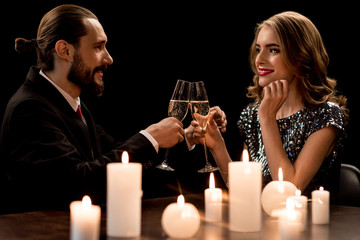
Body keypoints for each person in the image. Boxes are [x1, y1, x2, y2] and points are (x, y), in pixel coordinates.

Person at [0, 4, 226, 213]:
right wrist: (149, 138)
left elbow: (113, 157)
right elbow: (78, 184)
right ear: (65, 50)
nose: (109, 58)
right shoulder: (29, 109)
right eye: (98, 47)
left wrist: (187, 137)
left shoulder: (69, 102)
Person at [190, 11, 348, 199]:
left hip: (311, 225)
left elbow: (290, 191)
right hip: (266, 225)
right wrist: (217, 145)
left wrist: (266, 118)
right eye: (258, 49)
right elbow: (247, 194)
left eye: (273, 50)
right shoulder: (251, 114)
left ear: (301, 57)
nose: (260, 59)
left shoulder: (326, 115)